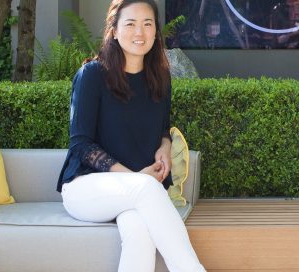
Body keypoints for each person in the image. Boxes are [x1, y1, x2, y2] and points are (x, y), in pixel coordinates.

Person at [56, 0, 206, 271]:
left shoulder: (159, 77)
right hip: (86, 188)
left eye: (148, 24)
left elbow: (162, 126)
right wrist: (135, 178)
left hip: (136, 192)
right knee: (147, 189)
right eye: (130, 24)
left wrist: (165, 143)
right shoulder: (92, 75)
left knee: (139, 232)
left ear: (156, 32)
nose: (140, 32)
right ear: (113, 30)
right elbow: (81, 145)